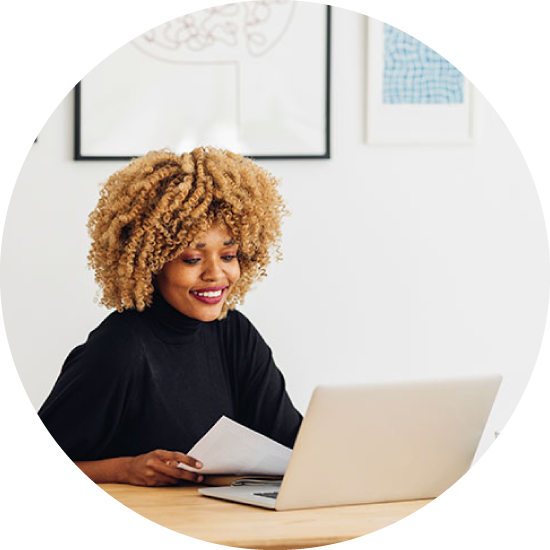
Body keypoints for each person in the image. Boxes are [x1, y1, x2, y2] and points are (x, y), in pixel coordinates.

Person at [38, 147, 302, 487]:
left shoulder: (235, 333)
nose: (215, 274)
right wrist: (125, 469)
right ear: (150, 262)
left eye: (229, 255)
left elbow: (293, 443)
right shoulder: (121, 347)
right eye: (192, 259)